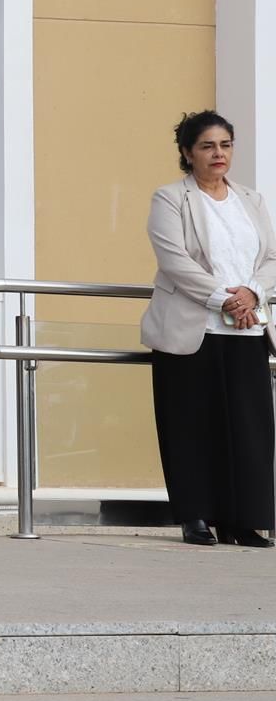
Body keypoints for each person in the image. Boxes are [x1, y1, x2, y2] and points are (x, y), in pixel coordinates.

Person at [140, 110, 276, 547]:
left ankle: (244, 520)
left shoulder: (251, 200)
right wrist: (227, 299)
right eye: (207, 146)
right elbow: (175, 262)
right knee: (191, 427)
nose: (218, 154)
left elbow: (271, 258)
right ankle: (196, 516)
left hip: (247, 330)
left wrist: (251, 294)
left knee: (250, 430)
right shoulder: (170, 199)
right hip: (192, 329)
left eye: (225, 145)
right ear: (187, 153)